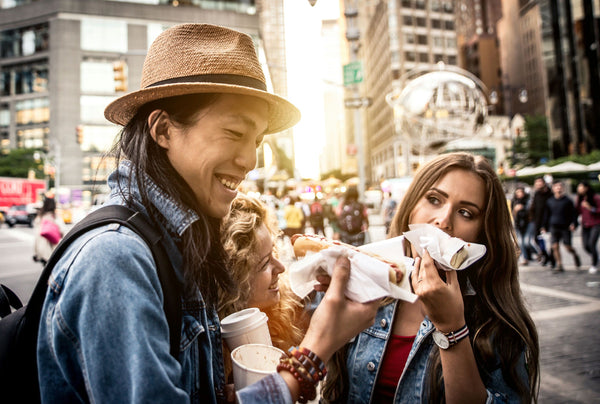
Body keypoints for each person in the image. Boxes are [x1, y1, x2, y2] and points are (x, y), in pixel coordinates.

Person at [36, 23, 379, 404]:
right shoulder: (115, 260)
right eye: (234, 133)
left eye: (257, 141)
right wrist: (314, 352)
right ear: (163, 130)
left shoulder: (182, 243)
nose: (249, 160)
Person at [320, 152, 540, 403]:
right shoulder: (367, 290)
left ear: (481, 235)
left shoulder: (497, 324)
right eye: (434, 199)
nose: (443, 220)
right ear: (412, 205)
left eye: (466, 213)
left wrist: (452, 329)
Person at [219, 193, 310, 381]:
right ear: (235, 278)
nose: (281, 267)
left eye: (274, 252)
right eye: (265, 263)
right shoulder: (208, 348)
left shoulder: (294, 308)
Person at [542, 180, 581, 273]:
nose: (558, 188)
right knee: (554, 246)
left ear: (563, 188)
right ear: (553, 189)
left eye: (560, 186)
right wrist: (544, 226)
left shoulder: (568, 200)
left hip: (565, 226)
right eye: (556, 186)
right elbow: (546, 214)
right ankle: (559, 264)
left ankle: (575, 254)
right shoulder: (550, 201)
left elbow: (574, 214)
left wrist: (574, 224)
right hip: (554, 226)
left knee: (568, 246)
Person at [528, 176, 554, 267]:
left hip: (549, 221)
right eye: (536, 182)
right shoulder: (536, 194)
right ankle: (546, 256)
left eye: (540, 182)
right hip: (537, 221)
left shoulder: (550, 193)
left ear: (544, 183)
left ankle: (553, 259)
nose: (538, 184)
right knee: (537, 239)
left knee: (551, 242)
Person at [575, 181, 600, 274]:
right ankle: (596, 257)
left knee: (591, 244)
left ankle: (594, 264)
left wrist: (591, 208)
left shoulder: (595, 198)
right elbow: (577, 211)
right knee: (585, 245)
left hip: (596, 224)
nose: (579, 189)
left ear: (586, 188)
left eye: (580, 187)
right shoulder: (579, 199)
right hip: (585, 225)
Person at [32, 195, 64, 265]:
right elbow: (63, 232)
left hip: (42, 252)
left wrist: (35, 253)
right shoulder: (55, 218)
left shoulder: (39, 218)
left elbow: (36, 237)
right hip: (54, 252)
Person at [511, 186, 533, 265]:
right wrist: (515, 210)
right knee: (520, 243)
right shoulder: (514, 201)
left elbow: (531, 212)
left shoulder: (528, 201)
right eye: (517, 192)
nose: (519, 194)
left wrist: (524, 208)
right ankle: (525, 258)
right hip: (518, 224)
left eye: (521, 192)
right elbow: (513, 213)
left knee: (527, 242)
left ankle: (538, 253)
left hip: (528, 223)